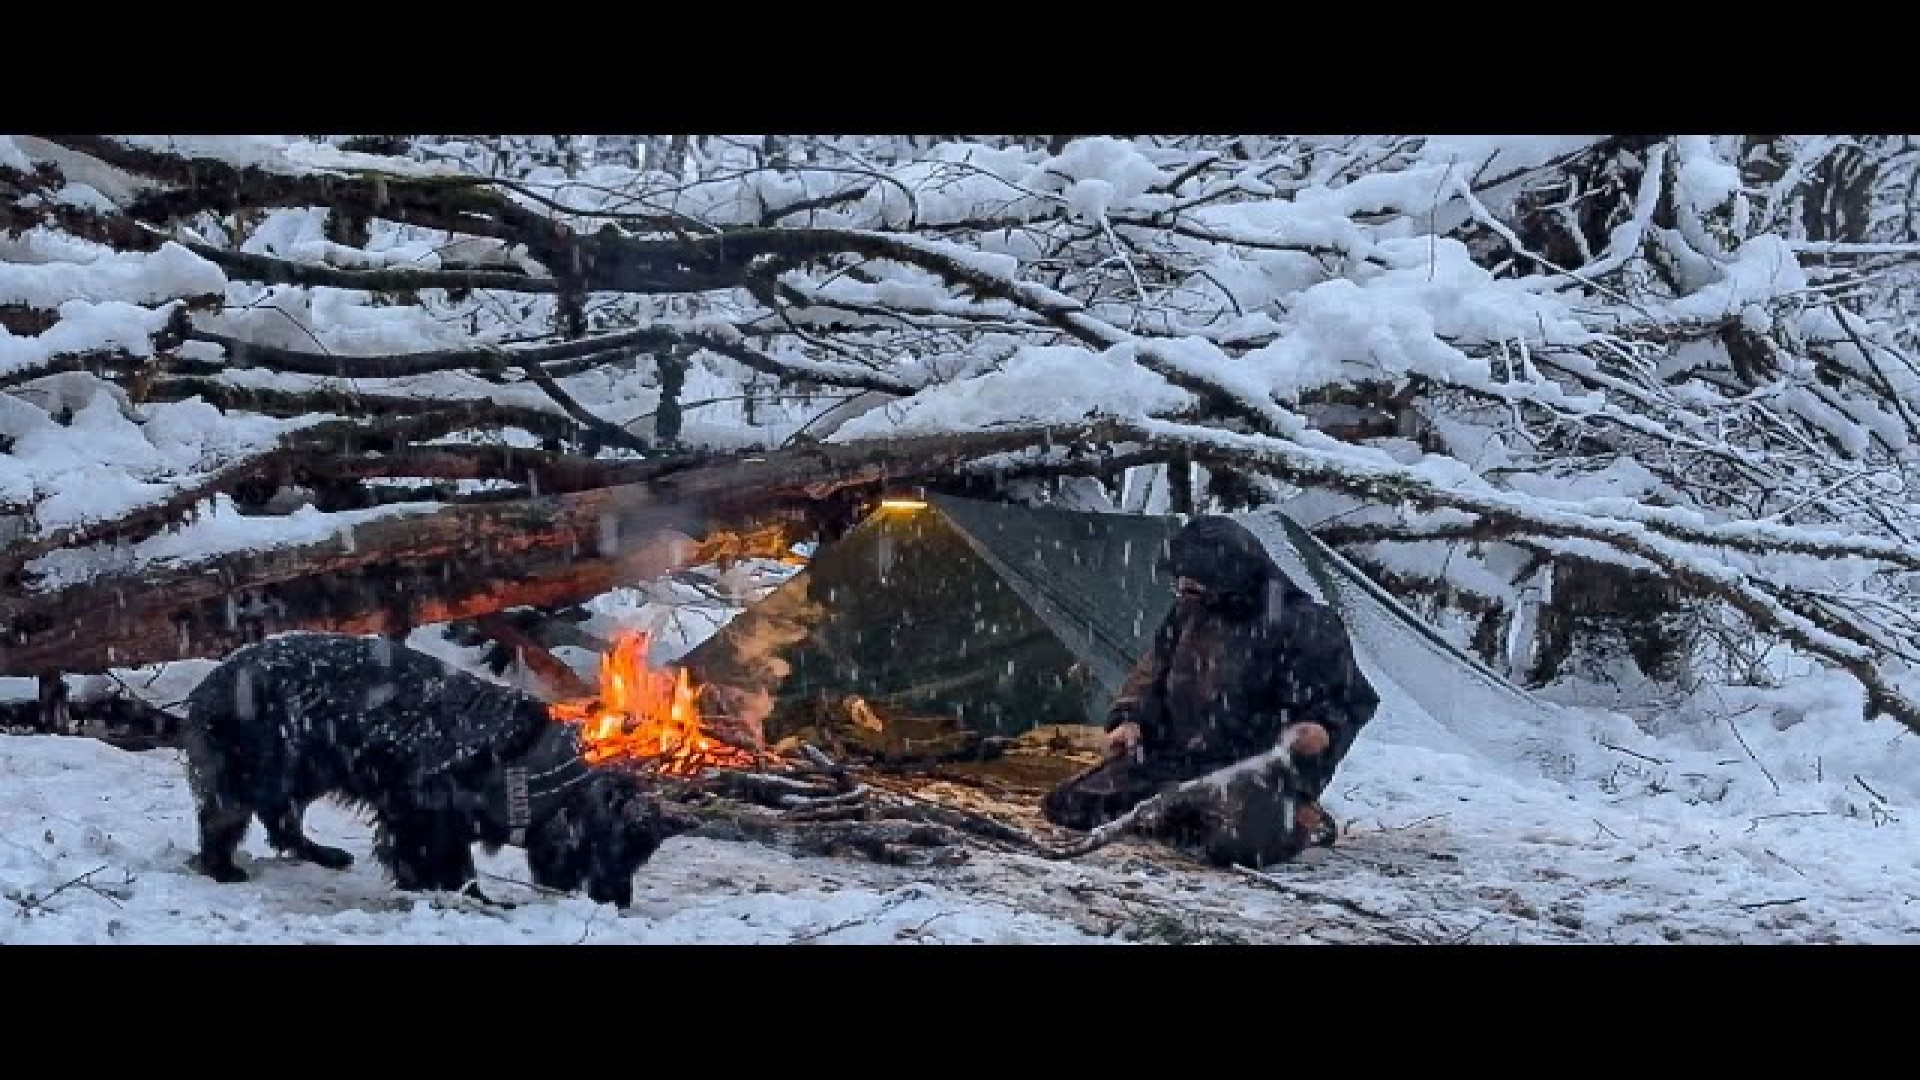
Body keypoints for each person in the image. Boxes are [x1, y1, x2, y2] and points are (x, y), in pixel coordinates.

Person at [1040, 515, 1380, 865]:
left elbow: (1350, 700)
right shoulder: (1189, 611)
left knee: (1232, 848)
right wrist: (1130, 720)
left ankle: (1301, 821)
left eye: (1195, 579)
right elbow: (1151, 674)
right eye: (1181, 578)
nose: (1184, 586)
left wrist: (1323, 729)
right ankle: (1185, 810)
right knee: (1068, 806)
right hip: (1178, 760)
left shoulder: (1307, 624)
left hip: (1258, 771)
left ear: (1230, 577)